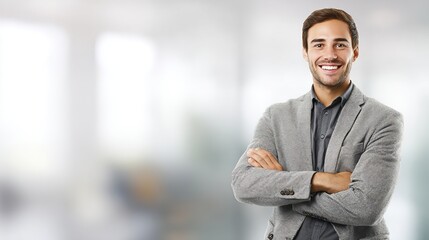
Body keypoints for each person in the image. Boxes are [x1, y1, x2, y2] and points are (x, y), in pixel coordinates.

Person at [231, 8, 403, 240]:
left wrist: (286, 188)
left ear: (355, 51)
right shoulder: (277, 117)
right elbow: (244, 184)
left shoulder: (383, 120)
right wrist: (322, 181)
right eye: (319, 44)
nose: (329, 54)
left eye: (340, 45)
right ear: (305, 52)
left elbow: (366, 207)